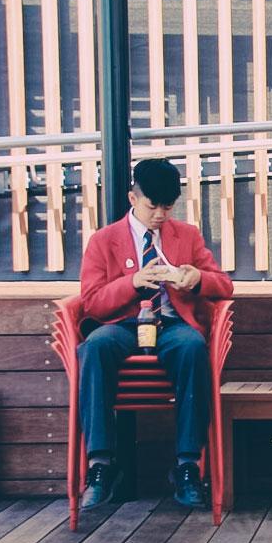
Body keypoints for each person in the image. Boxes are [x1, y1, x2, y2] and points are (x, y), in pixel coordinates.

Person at [77, 158, 233, 509]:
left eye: (168, 206)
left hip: (171, 323)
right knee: (95, 346)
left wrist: (196, 279)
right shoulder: (104, 240)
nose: (160, 215)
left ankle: (188, 465)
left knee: (193, 347)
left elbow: (224, 285)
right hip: (123, 323)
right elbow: (92, 302)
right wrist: (132, 282)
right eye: (153, 206)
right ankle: (101, 464)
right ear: (133, 198)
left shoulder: (187, 236)